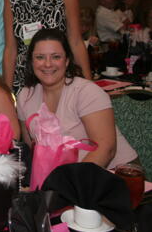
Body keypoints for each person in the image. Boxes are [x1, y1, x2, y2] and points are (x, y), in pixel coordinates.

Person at [16, 29, 137, 168]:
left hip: (117, 174)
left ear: (67, 61)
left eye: (56, 57)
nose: (47, 64)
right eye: (40, 57)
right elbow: (32, 150)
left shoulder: (86, 92)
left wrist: (70, 183)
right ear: (31, 62)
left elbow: (106, 150)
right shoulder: (25, 97)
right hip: (62, 180)